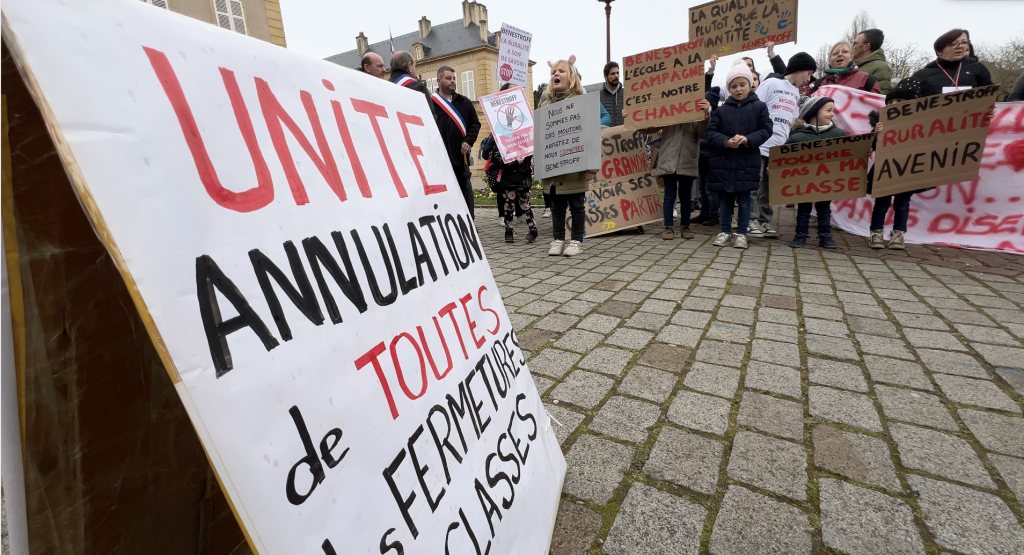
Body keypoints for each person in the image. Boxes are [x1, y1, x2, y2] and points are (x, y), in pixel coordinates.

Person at [702, 63, 773, 250]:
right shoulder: (721, 110)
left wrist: (748, 139)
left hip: (747, 161)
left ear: (750, 85)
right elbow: (710, 133)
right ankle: (725, 231)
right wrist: (726, 141)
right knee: (725, 199)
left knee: (744, 199)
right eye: (733, 86)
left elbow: (766, 129)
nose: (738, 89)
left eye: (742, 84)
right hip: (724, 162)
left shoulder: (760, 107)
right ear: (729, 89)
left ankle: (742, 233)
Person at [751, 52, 817, 238]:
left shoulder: (795, 92)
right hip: (761, 144)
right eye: (808, 73)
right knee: (755, 184)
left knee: (770, 187)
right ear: (799, 69)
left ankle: (764, 221)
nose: (808, 79)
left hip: (778, 147)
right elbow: (755, 107)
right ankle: (749, 219)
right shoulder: (771, 83)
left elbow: (792, 119)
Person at [539, 57, 598, 257]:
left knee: (577, 206)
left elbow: (591, 134)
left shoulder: (582, 102)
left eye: (561, 71)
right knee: (557, 208)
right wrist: (538, 158)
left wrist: (591, 166)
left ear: (571, 77)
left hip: (575, 168)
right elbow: (541, 136)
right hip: (554, 171)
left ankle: (576, 241)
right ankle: (558, 240)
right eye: (553, 72)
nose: (556, 74)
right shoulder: (545, 105)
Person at [642, 101, 711, 241]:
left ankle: (685, 226)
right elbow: (649, 128)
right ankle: (668, 227)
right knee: (669, 196)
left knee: (685, 197)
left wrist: (706, 114)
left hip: (687, 160)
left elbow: (702, 133)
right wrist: (632, 117)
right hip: (669, 160)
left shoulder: (696, 111)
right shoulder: (668, 110)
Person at [785, 97, 845, 249]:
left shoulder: (838, 134)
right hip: (804, 182)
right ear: (814, 113)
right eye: (828, 110)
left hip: (826, 181)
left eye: (833, 110)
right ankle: (800, 235)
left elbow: (847, 156)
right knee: (803, 208)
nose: (832, 114)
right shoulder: (797, 138)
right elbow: (783, 159)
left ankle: (825, 235)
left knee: (824, 208)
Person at [430, 66, 481, 217]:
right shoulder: (430, 103)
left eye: (454, 78)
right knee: (443, 196)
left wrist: (469, 141)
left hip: (459, 158)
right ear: (439, 81)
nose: (452, 81)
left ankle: (467, 222)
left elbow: (475, 124)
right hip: (438, 159)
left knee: (463, 193)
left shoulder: (464, 102)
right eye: (448, 78)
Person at [893, 29, 992, 98]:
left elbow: (990, 97)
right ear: (939, 51)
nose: (960, 46)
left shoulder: (977, 68)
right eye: (954, 43)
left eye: (964, 42)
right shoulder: (921, 75)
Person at [485, 140, 538, 244]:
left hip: (522, 179)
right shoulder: (501, 142)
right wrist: (516, 162)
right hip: (508, 180)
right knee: (508, 207)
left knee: (526, 206)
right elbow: (498, 161)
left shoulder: (524, 140)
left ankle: (533, 230)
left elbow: (531, 153)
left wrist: (531, 159)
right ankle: (508, 231)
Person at [811, 41, 881, 94]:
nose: (840, 54)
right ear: (829, 59)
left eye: (844, 52)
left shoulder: (867, 80)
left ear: (851, 57)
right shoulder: (817, 85)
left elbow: (877, 105)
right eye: (835, 53)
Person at [852, 29, 892, 94]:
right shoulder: (854, 67)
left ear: (866, 46)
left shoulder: (881, 67)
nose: (852, 47)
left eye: (855, 43)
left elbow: (879, 96)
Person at [600, 61, 625, 127]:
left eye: (617, 73)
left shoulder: (626, 94)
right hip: (605, 132)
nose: (616, 76)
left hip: (625, 132)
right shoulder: (598, 97)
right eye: (612, 74)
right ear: (605, 77)